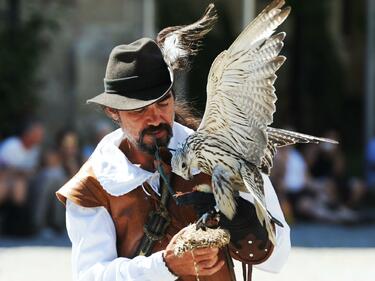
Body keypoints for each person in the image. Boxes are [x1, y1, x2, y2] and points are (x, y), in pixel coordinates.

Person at [56, 38, 290, 281]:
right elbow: (91, 276)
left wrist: (246, 228)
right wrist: (166, 265)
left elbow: (279, 257)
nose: (155, 118)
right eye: (139, 110)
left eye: (163, 103)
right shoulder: (92, 186)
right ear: (113, 112)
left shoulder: (222, 154)